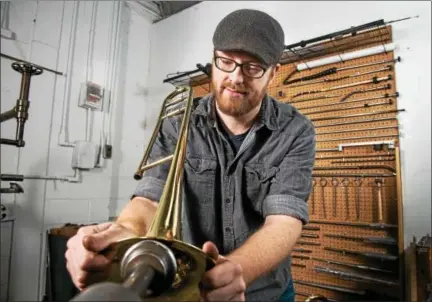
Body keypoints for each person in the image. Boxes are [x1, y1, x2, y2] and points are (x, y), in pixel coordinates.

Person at [65, 8, 315, 302]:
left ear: (272, 73)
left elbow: (284, 221)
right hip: (189, 289)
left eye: (253, 67)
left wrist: (239, 270)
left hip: (265, 291)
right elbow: (149, 199)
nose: (236, 77)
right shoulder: (176, 122)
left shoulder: (296, 130)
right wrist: (122, 232)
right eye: (226, 61)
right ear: (213, 61)